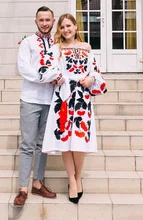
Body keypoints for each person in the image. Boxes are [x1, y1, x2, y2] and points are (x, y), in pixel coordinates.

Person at [41, 13, 107, 204]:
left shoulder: (86, 48)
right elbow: (46, 69)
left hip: (82, 99)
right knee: (65, 142)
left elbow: (94, 70)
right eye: (62, 27)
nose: (66, 30)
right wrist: (58, 77)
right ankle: (71, 180)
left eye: (69, 26)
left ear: (76, 27)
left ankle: (78, 178)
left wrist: (92, 78)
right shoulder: (56, 48)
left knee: (78, 140)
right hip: (63, 98)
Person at [13, 6, 63, 207]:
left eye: (48, 20)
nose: (44, 23)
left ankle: (37, 183)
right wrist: (46, 77)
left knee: (43, 145)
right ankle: (23, 188)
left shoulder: (58, 44)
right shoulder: (27, 43)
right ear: (36, 21)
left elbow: (61, 67)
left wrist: (56, 77)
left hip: (51, 100)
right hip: (30, 99)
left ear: (53, 21)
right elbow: (24, 68)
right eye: (41, 19)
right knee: (28, 144)